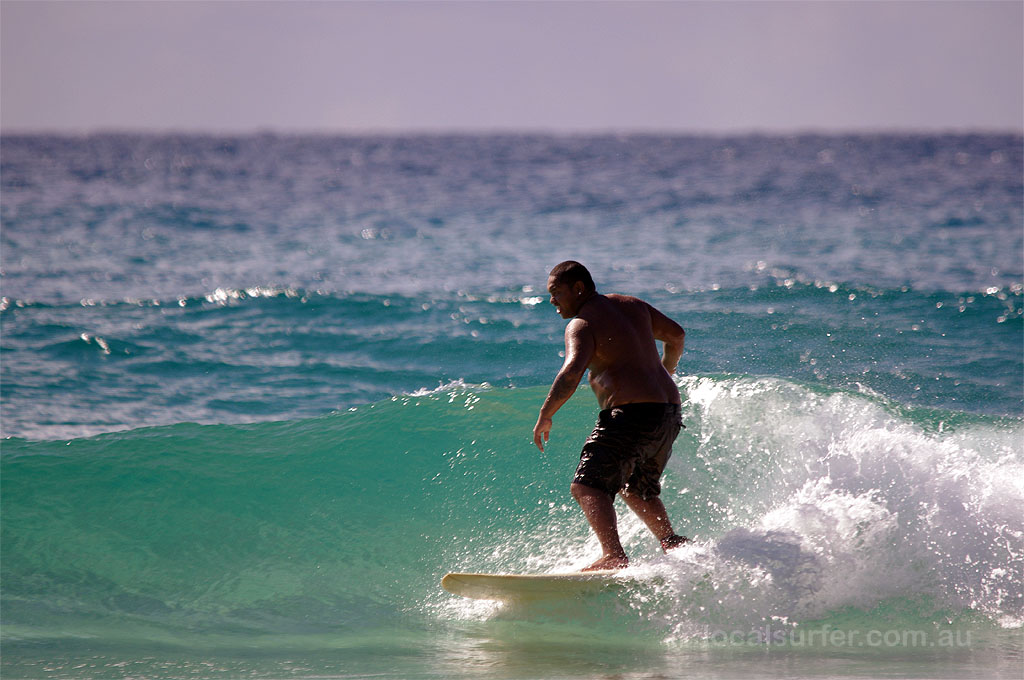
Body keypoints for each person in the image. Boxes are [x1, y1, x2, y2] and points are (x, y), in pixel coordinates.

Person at [532, 261, 689, 571]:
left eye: (556, 292)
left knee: (587, 486)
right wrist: (666, 371)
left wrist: (545, 414)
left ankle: (613, 556)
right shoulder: (633, 305)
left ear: (578, 289)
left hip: (630, 414)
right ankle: (672, 543)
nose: (552, 300)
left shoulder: (583, 323)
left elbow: (572, 372)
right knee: (635, 487)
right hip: (667, 412)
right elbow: (677, 336)